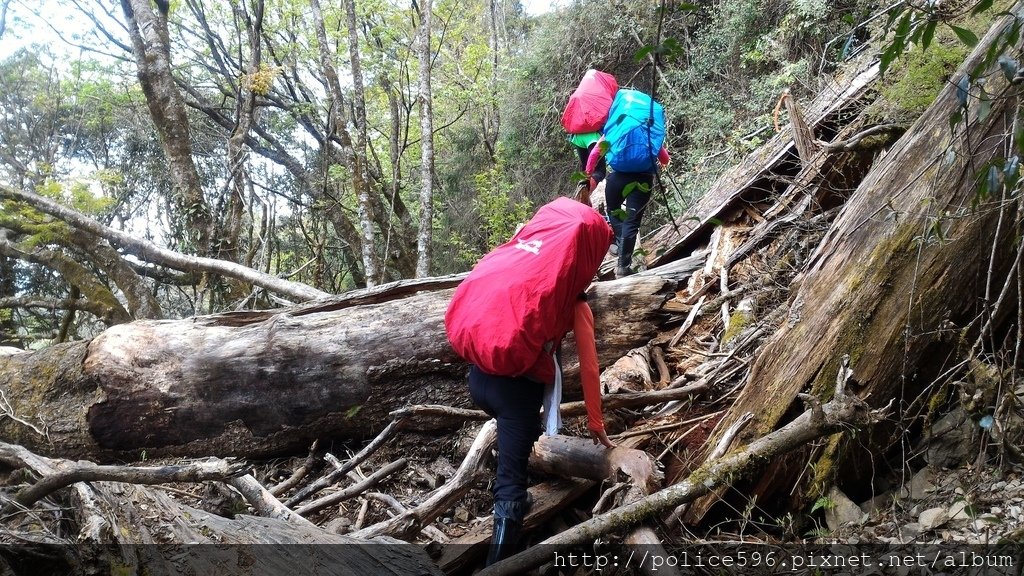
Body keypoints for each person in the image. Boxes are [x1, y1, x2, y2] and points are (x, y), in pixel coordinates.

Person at [454, 199, 617, 566]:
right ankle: (500, 563)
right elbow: (590, 369)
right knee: (511, 482)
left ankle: (513, 477)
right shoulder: (572, 302)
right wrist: (596, 425)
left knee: (514, 442)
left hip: (477, 377)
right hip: (516, 394)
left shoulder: (514, 260)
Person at [585, 135, 669, 278]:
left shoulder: (615, 127)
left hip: (617, 177)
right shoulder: (649, 131)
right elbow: (665, 160)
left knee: (613, 210)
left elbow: (594, 154)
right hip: (643, 178)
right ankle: (623, 266)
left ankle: (619, 244)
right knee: (632, 221)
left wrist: (588, 174)